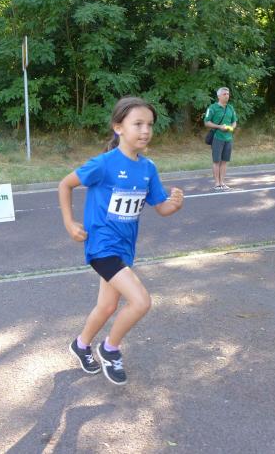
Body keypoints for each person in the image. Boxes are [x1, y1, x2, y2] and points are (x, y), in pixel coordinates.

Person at [58, 96, 184, 385]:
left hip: (125, 248)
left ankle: (81, 345)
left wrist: (175, 204)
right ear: (118, 127)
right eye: (138, 124)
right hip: (102, 247)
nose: (145, 130)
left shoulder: (148, 168)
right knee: (141, 301)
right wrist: (69, 222)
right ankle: (110, 349)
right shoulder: (104, 164)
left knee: (107, 307)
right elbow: (65, 184)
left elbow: (161, 207)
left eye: (149, 124)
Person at [204, 87, 238, 191]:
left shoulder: (230, 108)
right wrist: (219, 127)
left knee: (224, 161)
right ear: (219, 96)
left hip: (228, 138)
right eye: (224, 94)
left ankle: (222, 183)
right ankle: (217, 184)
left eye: (228, 94)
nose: (227, 96)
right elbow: (206, 122)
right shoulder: (212, 108)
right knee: (216, 161)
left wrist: (232, 127)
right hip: (217, 137)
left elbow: (234, 122)